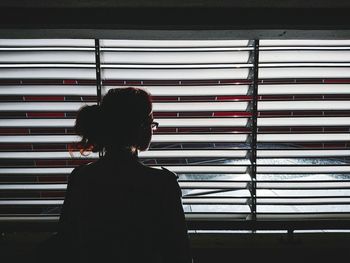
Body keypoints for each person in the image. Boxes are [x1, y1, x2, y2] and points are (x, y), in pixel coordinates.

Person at [48, 87, 192, 263]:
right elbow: (179, 254)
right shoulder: (162, 184)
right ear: (139, 127)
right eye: (150, 122)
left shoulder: (80, 178)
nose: (153, 128)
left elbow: (66, 242)